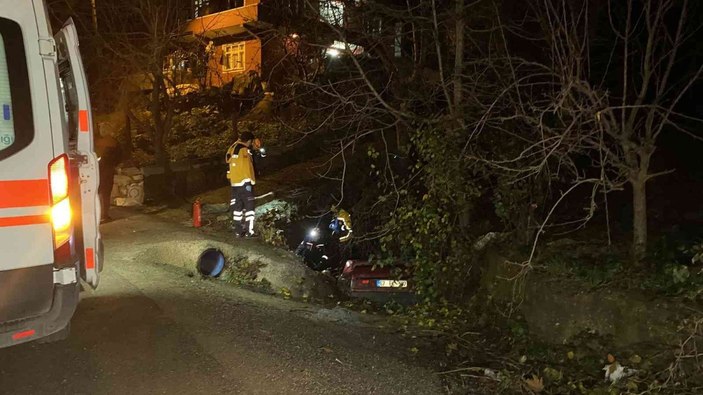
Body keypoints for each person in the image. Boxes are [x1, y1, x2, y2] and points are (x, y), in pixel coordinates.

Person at [226, 131, 257, 237]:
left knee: (237, 208)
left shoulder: (233, 148)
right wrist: (250, 182)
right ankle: (250, 231)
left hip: (234, 183)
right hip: (244, 183)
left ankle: (238, 231)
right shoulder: (244, 150)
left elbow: (228, 160)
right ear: (249, 141)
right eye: (251, 142)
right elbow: (246, 167)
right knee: (250, 208)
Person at [95, 130, 122, 223]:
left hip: (97, 171)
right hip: (109, 171)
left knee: (96, 193)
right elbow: (120, 156)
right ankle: (105, 215)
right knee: (106, 194)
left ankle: (95, 214)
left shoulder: (98, 143)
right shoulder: (115, 142)